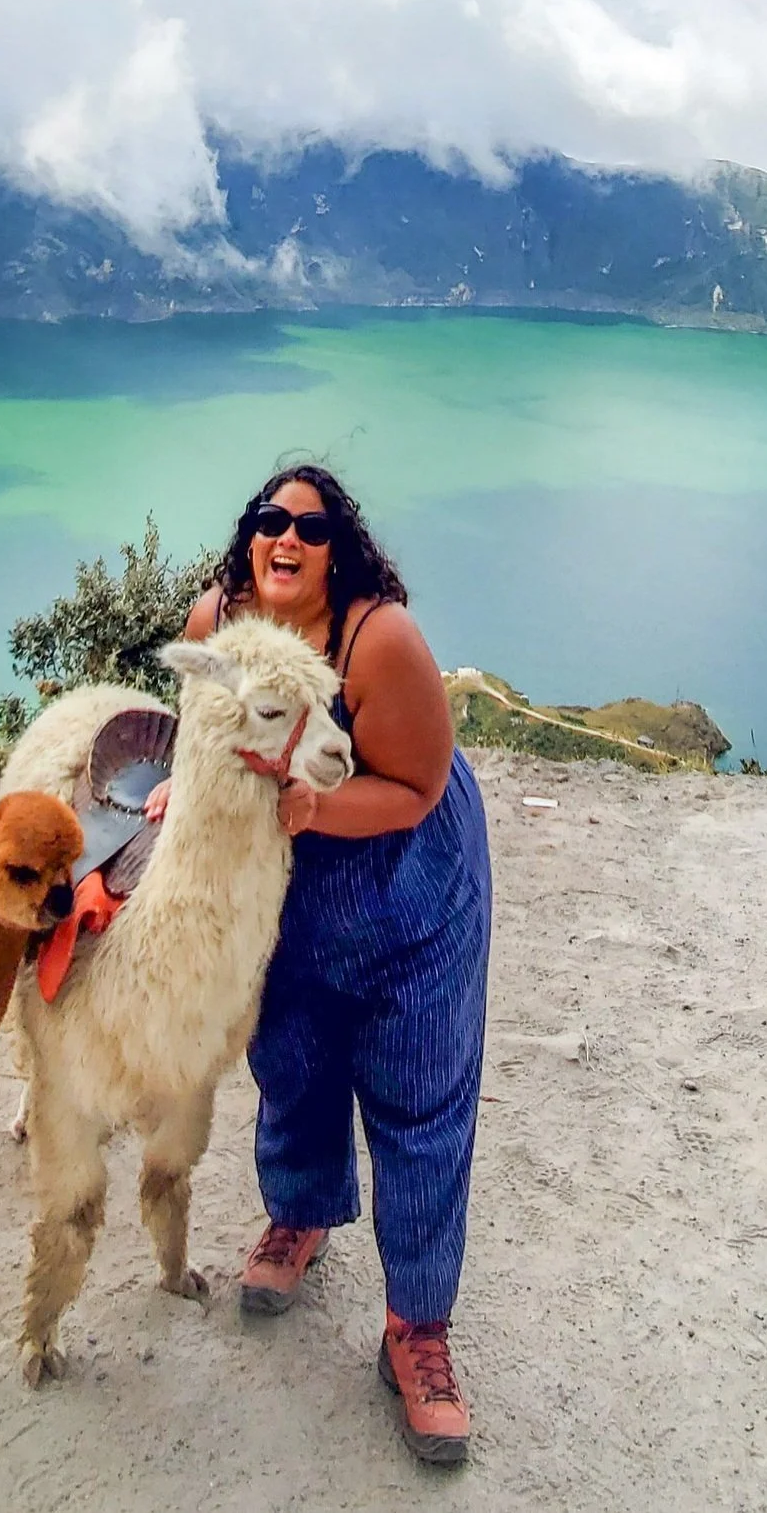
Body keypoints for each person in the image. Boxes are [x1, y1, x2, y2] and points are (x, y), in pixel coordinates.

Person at [157, 464, 492, 1465]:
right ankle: (299, 1213)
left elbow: (418, 783)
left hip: (406, 884)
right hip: (287, 894)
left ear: (336, 545)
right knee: (292, 1061)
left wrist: (316, 809)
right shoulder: (216, 617)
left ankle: (416, 1329)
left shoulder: (377, 639)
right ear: (249, 537)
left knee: (420, 1099)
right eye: (269, 520)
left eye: (309, 523)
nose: (285, 536)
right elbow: (203, 737)